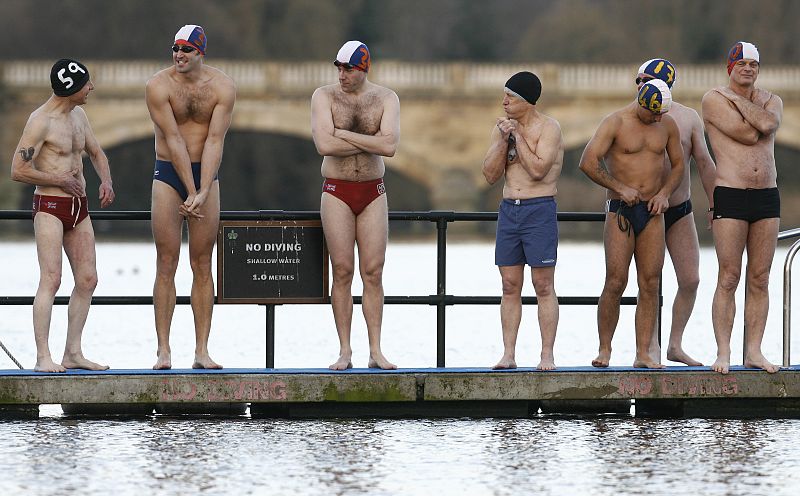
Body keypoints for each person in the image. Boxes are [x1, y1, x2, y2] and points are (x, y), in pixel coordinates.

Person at [10, 59, 115, 372]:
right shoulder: (40, 121)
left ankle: (73, 352)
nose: (91, 89)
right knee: (51, 280)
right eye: (87, 84)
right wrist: (59, 180)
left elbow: (95, 151)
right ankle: (44, 357)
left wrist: (106, 180)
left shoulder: (78, 115)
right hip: (50, 207)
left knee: (88, 278)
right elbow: (18, 170)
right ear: (71, 88)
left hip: (78, 207)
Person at [146, 25, 236, 370]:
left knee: (202, 263)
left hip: (206, 176)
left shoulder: (223, 87)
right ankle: (164, 350)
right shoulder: (158, 85)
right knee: (166, 262)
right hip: (168, 173)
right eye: (175, 48)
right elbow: (172, 138)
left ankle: (201, 351)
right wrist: (190, 189)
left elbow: (215, 140)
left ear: (201, 53)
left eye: (186, 49)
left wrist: (204, 187)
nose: (179, 55)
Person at [579, 79, 685, 369]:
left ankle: (643, 353)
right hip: (621, 210)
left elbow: (678, 165)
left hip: (652, 211)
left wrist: (665, 193)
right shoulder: (615, 123)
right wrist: (619, 187)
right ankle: (604, 349)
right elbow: (587, 162)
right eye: (652, 113)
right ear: (641, 102)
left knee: (650, 283)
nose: (657, 118)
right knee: (615, 281)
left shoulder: (667, 126)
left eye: (661, 113)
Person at [311, 41, 400, 370]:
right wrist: (370, 140)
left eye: (348, 68)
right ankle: (345, 349)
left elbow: (389, 147)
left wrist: (344, 135)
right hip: (337, 190)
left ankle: (375, 350)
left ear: (364, 69)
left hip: (373, 190)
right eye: (339, 67)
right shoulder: (324, 96)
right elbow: (323, 144)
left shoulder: (385, 98)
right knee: (343, 270)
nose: (342, 74)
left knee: (373, 272)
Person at [701, 41, 782, 374]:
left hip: (767, 194)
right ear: (729, 67)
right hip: (731, 193)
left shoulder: (772, 100)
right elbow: (747, 134)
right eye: (742, 63)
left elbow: (768, 125)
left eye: (753, 64)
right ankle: (723, 352)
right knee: (729, 276)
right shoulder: (713, 99)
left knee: (760, 278)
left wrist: (739, 102)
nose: (748, 68)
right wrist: (743, 104)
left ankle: (754, 351)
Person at [634, 59, 717, 366]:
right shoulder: (630, 116)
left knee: (691, 279)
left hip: (678, 208)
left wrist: (714, 205)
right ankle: (647, 348)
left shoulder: (688, 117)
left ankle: (674, 344)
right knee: (648, 282)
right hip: (641, 210)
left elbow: (705, 163)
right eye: (637, 80)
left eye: (644, 79)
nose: (639, 85)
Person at [482, 72, 563, 370]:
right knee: (509, 284)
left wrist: (517, 137)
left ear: (527, 101)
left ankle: (546, 354)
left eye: (511, 96)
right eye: (504, 95)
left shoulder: (549, 128)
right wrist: (504, 140)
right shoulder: (502, 129)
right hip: (509, 210)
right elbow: (490, 175)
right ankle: (509, 354)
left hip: (539, 208)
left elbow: (539, 170)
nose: (504, 101)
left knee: (543, 285)